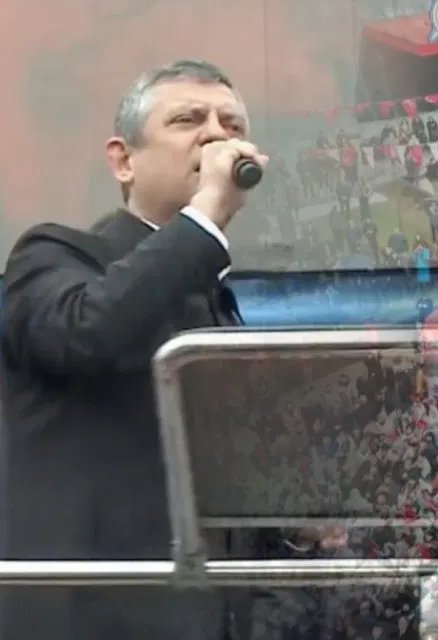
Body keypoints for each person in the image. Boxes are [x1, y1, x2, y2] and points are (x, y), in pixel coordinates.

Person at [0, 60, 269, 639]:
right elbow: (85, 333)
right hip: (88, 611)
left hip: (202, 612)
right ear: (124, 160)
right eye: (189, 119)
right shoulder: (49, 257)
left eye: (232, 123)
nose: (217, 135)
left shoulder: (216, 302)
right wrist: (205, 220)